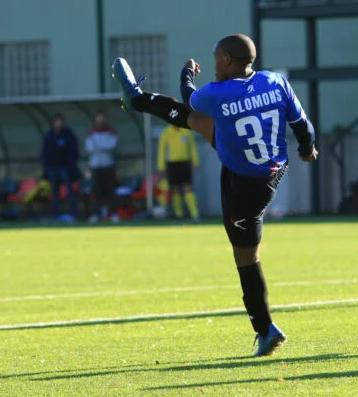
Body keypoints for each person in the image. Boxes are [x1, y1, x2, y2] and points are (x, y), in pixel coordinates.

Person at [112, 33, 317, 355]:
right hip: (273, 169)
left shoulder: (218, 92)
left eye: (215, 58)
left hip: (244, 184)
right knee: (200, 121)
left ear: (225, 61)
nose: (212, 63)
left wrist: (186, 74)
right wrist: (307, 149)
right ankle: (138, 99)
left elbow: (187, 95)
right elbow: (303, 126)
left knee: (246, 257)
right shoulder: (274, 81)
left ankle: (265, 329)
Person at [157, 124, 201, 222]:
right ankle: (179, 215)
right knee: (175, 189)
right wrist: (161, 166)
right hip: (172, 164)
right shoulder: (166, 132)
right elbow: (162, 150)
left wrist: (196, 162)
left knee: (188, 187)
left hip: (185, 163)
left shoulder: (187, 132)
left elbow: (193, 147)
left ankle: (195, 214)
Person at [41, 114, 80, 221]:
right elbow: (45, 153)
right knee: (54, 193)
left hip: (66, 169)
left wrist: (70, 166)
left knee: (70, 192)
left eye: (60, 122)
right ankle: (56, 214)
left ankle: (73, 213)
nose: (59, 124)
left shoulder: (68, 135)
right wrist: (46, 168)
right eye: (57, 122)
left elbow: (74, 152)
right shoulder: (49, 136)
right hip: (53, 169)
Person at [85, 110, 119, 223]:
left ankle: (113, 214)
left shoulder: (111, 132)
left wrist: (99, 147)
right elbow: (90, 148)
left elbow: (111, 146)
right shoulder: (91, 133)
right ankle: (95, 214)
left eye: (102, 119)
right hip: (95, 166)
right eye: (98, 119)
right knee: (96, 191)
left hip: (108, 165)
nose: (100, 121)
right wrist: (102, 147)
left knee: (110, 190)